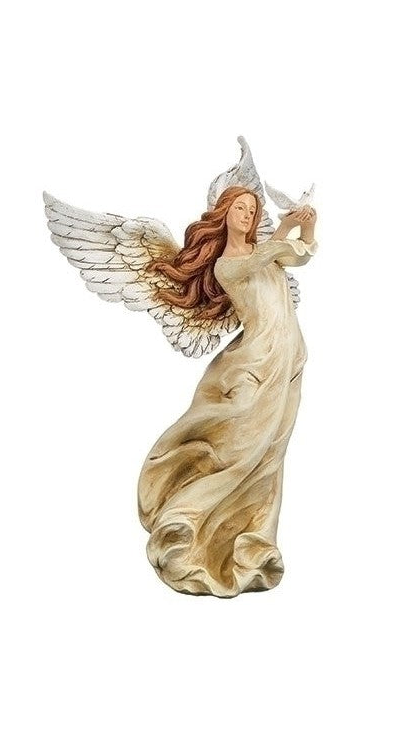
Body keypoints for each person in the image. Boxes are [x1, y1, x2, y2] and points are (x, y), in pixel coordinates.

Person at [138, 186, 318, 597]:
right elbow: (264, 257)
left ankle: (252, 547)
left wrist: (307, 228)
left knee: (270, 455)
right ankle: (181, 521)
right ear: (224, 214)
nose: (247, 214)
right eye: (240, 207)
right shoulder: (227, 264)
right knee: (240, 452)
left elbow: (300, 255)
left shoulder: (264, 250)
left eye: (252, 209)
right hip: (254, 365)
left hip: (288, 362)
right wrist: (287, 229)